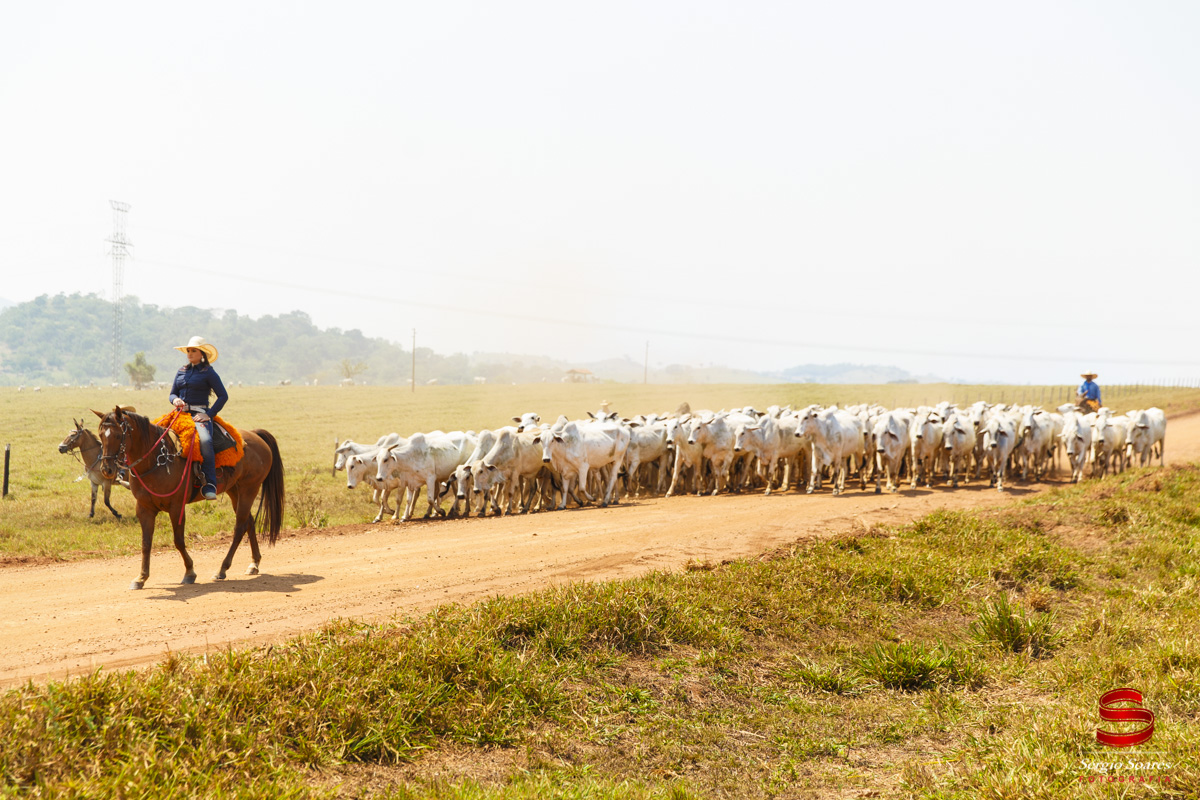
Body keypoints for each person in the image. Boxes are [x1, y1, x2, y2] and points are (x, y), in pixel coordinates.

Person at [169, 336, 228, 500]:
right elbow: (172, 392)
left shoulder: (208, 372)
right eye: (188, 350)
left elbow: (223, 396)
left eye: (193, 350)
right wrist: (175, 400)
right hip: (179, 414)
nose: (189, 353)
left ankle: (210, 483)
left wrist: (208, 415)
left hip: (198, 415)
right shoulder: (181, 371)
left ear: (202, 353)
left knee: (205, 441)